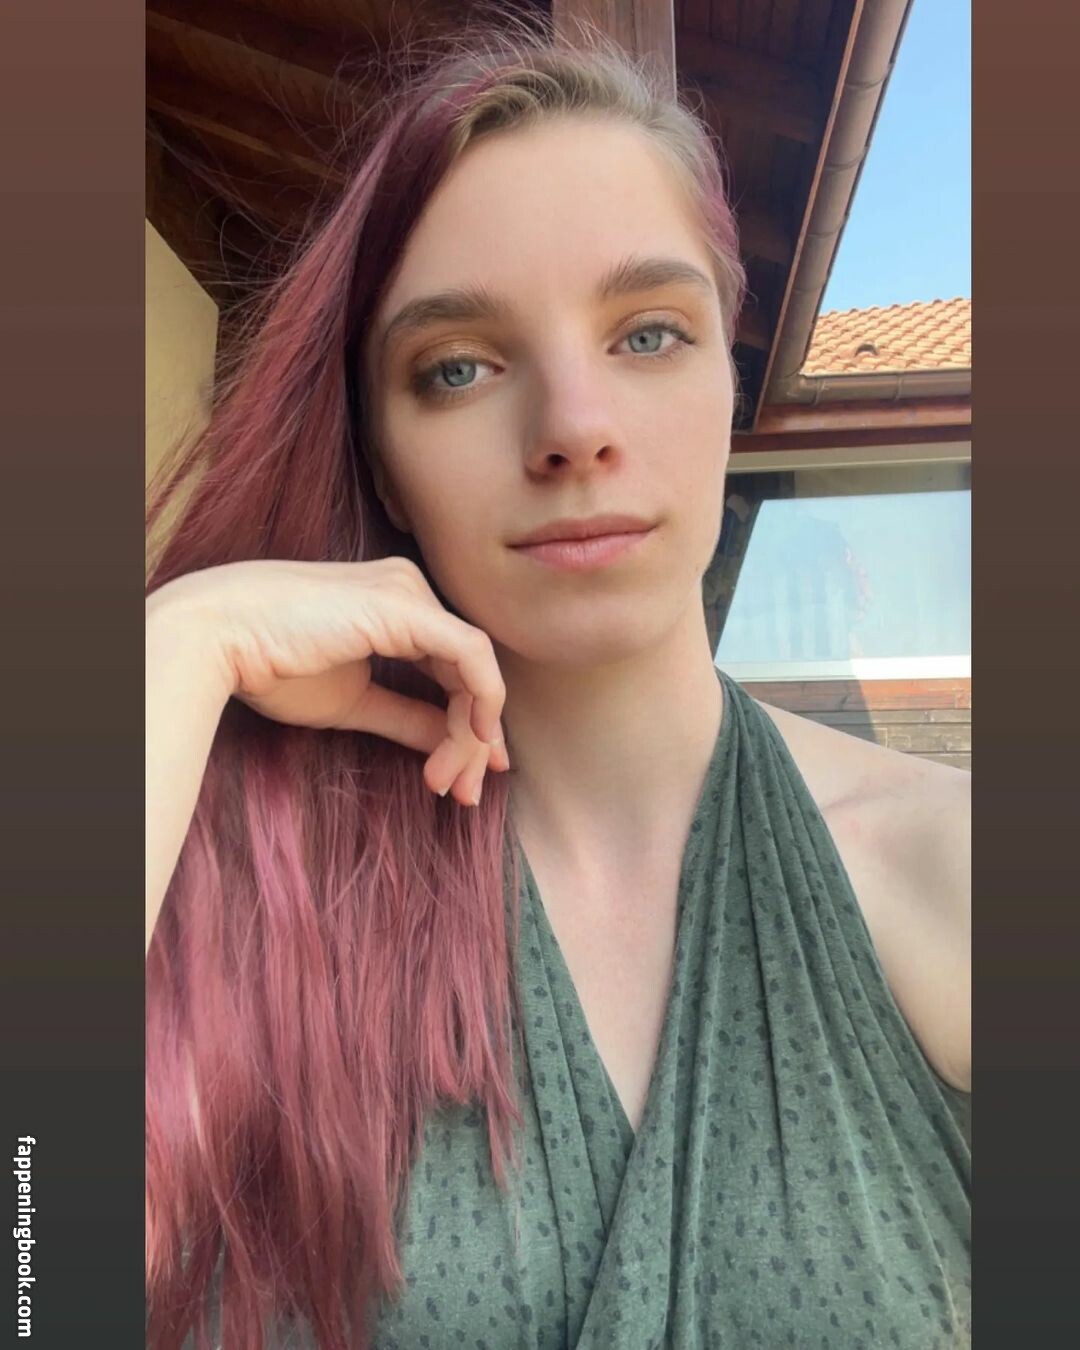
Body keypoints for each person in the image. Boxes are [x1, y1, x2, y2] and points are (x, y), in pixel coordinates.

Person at [146, 18, 970, 1350]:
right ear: (382, 457)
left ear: (729, 377)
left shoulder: (960, 868)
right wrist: (173, 648)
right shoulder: (244, 887)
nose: (575, 428)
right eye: (459, 367)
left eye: (647, 334)